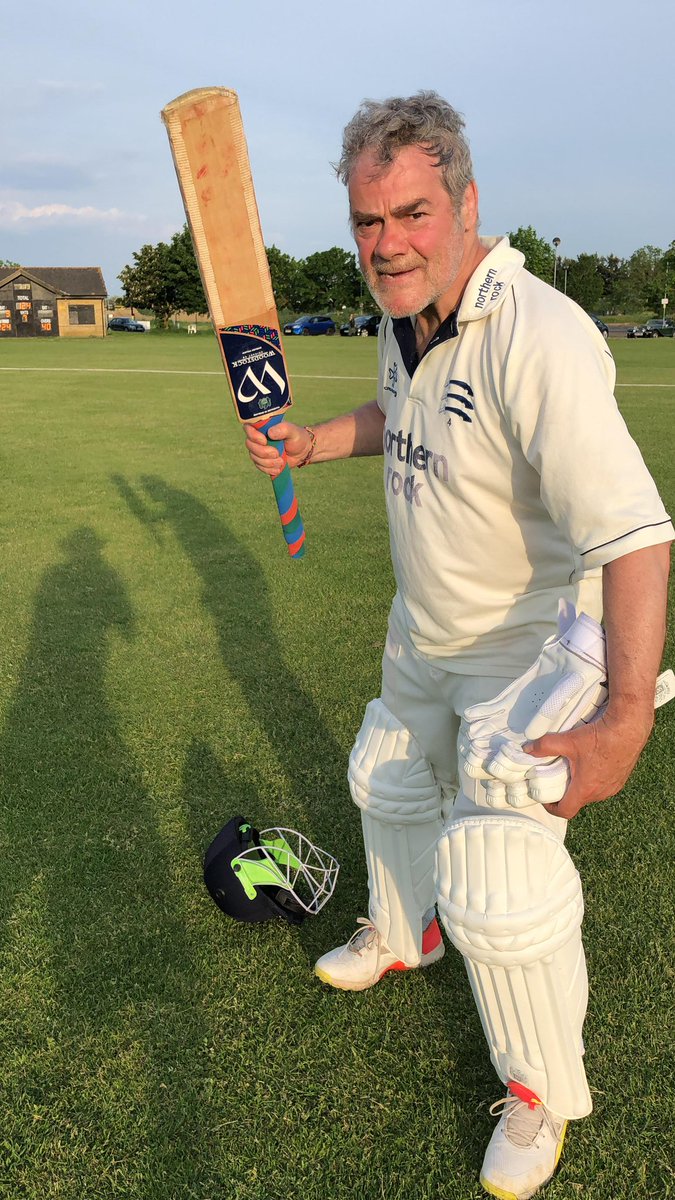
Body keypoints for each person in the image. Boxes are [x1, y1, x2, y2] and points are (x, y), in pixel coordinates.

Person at [244, 92, 673, 1199]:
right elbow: (404, 422)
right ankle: (401, 933)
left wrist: (622, 718)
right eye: (367, 222)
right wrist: (314, 438)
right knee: (385, 776)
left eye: (413, 213)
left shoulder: (540, 334)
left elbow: (635, 535)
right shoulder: (409, 319)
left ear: (468, 202)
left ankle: (539, 1095)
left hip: (527, 656)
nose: (387, 243)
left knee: (497, 878)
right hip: (423, 628)